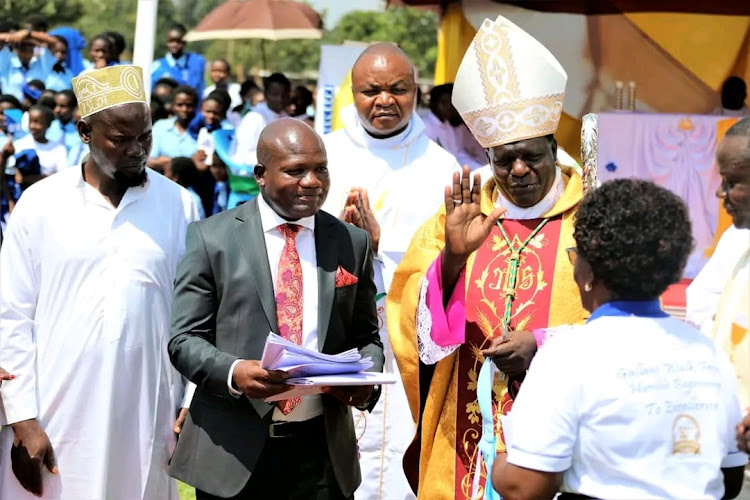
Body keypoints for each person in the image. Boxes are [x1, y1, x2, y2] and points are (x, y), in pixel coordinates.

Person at [387, 16, 587, 499]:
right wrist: (452, 261)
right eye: (503, 159)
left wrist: (543, 343)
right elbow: (405, 313)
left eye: (531, 156)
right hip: (466, 427)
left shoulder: (590, 218)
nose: (518, 170)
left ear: (553, 149)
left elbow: (619, 324)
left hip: (562, 430)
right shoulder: (459, 214)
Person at [0, 64, 200, 500]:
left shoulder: (178, 204)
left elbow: (195, 314)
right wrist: (22, 417)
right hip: (55, 413)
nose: (137, 150)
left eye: (144, 136)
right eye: (121, 139)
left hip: (147, 410)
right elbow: (10, 314)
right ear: (85, 131)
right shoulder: (40, 205)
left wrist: (190, 399)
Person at [167, 117, 384, 499]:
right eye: (296, 171)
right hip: (234, 455)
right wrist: (235, 372)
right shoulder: (212, 238)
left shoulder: (351, 242)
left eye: (320, 169)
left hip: (321, 455)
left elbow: (367, 338)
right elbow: (184, 339)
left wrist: (363, 383)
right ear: (260, 175)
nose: (312, 181)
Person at [491, 179, 746, 500]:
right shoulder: (709, 355)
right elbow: (730, 479)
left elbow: (524, 488)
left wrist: (498, 460)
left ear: (590, 271)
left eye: (576, 256)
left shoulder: (568, 355)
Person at [320, 42, 459, 500]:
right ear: (353, 93)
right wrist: (346, 247)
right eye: (371, 90)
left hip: (405, 342)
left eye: (398, 89)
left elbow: (450, 263)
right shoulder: (322, 157)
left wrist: (378, 251)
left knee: (398, 455)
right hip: (331, 335)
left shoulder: (441, 166)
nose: (384, 100)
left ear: (415, 91)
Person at [422, 83, 485, 170]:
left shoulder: (447, 125)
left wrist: (480, 169)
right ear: (433, 103)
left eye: (451, 103)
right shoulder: (425, 126)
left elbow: (457, 154)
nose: (448, 107)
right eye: (444, 102)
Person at [148, 84, 199, 172]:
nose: (184, 109)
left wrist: (168, 161)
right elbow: (150, 161)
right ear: (172, 105)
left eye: (189, 105)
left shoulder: (202, 130)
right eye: (179, 105)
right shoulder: (160, 127)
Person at [151, 24, 206, 98]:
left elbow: (200, 90)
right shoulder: (156, 67)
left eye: (178, 41)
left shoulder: (197, 63)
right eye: (171, 41)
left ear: (185, 42)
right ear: (166, 42)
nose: (174, 45)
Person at [48, 89, 88, 166]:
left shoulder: (79, 131)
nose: (57, 110)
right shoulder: (51, 126)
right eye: (55, 105)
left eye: (62, 106)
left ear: (73, 108)